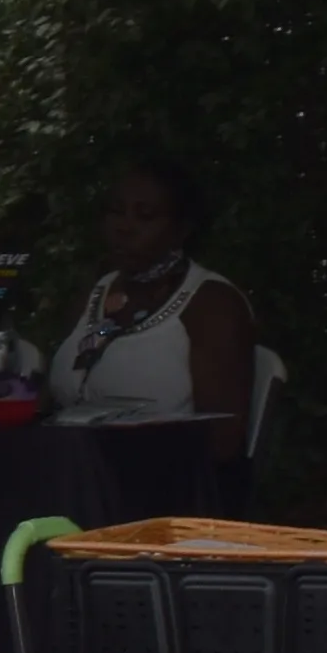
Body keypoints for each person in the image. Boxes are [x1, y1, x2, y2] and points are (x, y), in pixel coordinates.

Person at [48, 158, 260, 506]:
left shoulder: (211, 303)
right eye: (115, 212)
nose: (124, 227)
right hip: (74, 483)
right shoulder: (96, 292)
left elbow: (222, 441)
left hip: (162, 502)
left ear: (181, 229)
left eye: (145, 216)